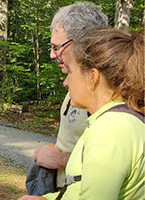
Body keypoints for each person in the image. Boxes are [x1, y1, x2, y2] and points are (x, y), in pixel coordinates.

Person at [20, 28, 144, 200]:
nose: (65, 82)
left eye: (71, 72)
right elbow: (81, 189)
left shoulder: (111, 130)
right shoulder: (112, 121)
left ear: (93, 76)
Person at [32, 1, 108, 190]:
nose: (51, 55)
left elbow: (114, 158)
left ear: (82, 43)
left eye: (56, 47)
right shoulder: (77, 82)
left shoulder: (105, 89)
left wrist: (62, 160)